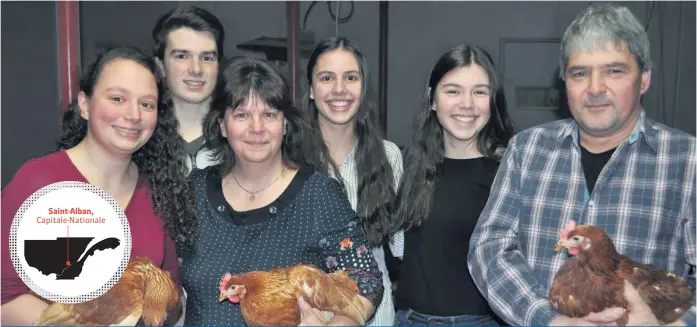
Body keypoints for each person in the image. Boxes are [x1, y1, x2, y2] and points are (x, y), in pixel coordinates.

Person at [467, 3, 696, 326]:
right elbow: (489, 247)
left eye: (614, 71)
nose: (595, 88)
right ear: (565, 83)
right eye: (579, 73)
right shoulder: (527, 149)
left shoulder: (688, 161)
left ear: (643, 79)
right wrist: (548, 320)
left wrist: (675, 324)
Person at [178, 56, 384, 326]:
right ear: (222, 125)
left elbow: (364, 280)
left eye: (269, 115)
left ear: (285, 124)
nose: (257, 128)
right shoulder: (194, 191)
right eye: (242, 115)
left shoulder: (318, 195)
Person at [0, 46, 193, 325]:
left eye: (147, 104)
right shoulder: (38, 181)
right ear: (85, 105)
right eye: (117, 98)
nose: (133, 114)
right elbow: (4, 295)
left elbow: (170, 292)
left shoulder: (157, 193)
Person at [390, 44, 514, 326]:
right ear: (433, 99)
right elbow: (397, 249)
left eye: (479, 91)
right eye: (453, 91)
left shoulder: (509, 171)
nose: (466, 104)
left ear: (493, 101)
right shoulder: (408, 164)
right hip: (409, 319)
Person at [303, 36, 403, 326]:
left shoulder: (388, 156)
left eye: (350, 77)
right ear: (311, 89)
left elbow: (400, 248)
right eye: (326, 78)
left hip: (377, 316)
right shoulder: (289, 159)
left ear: (363, 87)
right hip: (308, 316)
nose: (339, 89)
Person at [152, 5, 225, 171]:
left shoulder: (240, 136)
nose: (196, 70)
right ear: (160, 66)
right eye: (182, 56)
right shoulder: (142, 136)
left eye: (207, 58)